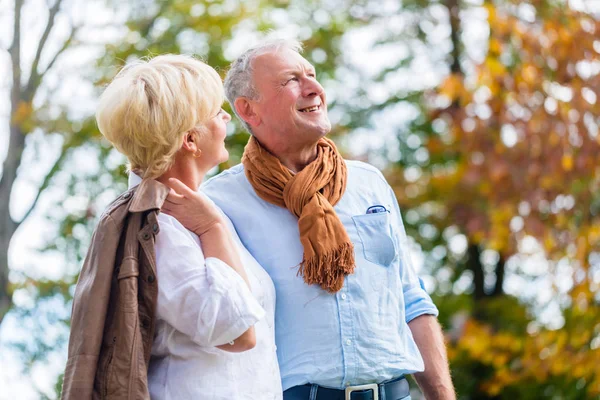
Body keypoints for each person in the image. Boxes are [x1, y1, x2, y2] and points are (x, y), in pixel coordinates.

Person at [167, 40, 456, 400]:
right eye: (291, 80)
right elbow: (216, 319)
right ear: (248, 110)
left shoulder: (370, 184)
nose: (314, 89)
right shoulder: (219, 203)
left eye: (312, 75)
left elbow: (411, 298)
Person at [61, 54, 281, 399]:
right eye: (215, 112)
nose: (225, 117)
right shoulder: (165, 229)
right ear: (190, 140)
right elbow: (238, 333)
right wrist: (212, 228)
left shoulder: (192, 214)